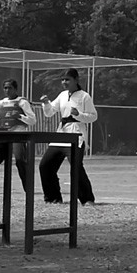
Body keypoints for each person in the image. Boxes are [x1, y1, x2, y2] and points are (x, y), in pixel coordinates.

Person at [39, 68, 98, 205]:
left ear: (76, 80)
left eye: (67, 79)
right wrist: (46, 103)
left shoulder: (84, 96)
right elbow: (49, 113)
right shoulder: (62, 95)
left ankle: (87, 199)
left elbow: (93, 116)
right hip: (61, 134)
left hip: (76, 134)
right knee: (45, 165)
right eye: (63, 79)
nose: (64, 82)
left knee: (76, 167)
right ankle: (53, 197)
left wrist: (78, 115)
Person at [0, 79, 37, 194]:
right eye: (5, 88)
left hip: (18, 135)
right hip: (5, 134)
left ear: (15, 89)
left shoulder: (22, 102)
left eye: (9, 88)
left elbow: (33, 120)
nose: (7, 90)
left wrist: (20, 116)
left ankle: (28, 189)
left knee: (20, 160)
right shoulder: (3, 102)